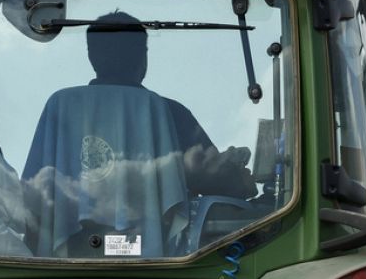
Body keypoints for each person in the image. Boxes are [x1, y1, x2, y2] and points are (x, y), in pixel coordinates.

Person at [82, 11, 256, 200]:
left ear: (91, 56)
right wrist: (237, 177)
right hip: (165, 229)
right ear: (143, 57)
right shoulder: (169, 113)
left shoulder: (61, 111)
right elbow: (213, 178)